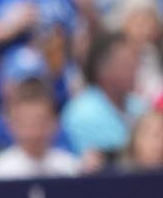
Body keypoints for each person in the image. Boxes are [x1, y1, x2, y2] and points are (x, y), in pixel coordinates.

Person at [61, 31, 146, 161]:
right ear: (102, 69)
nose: (135, 68)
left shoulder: (141, 107)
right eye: (126, 63)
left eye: (135, 61)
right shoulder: (80, 113)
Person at [0, 78, 81, 179]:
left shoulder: (70, 168)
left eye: (41, 122)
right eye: (26, 123)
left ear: (54, 122)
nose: (34, 131)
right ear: (11, 125)